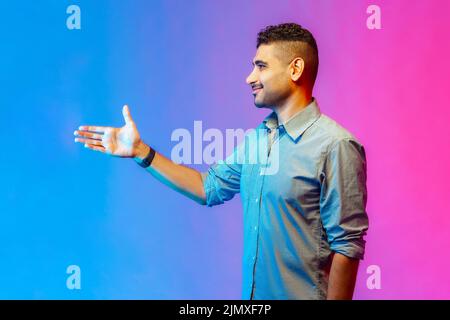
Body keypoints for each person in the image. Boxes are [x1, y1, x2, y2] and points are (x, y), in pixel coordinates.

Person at [74, 23, 369, 300]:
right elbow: (209, 187)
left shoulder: (337, 145)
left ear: (295, 69)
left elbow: (347, 246)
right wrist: (141, 151)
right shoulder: (258, 139)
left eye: (261, 66)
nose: (249, 77)